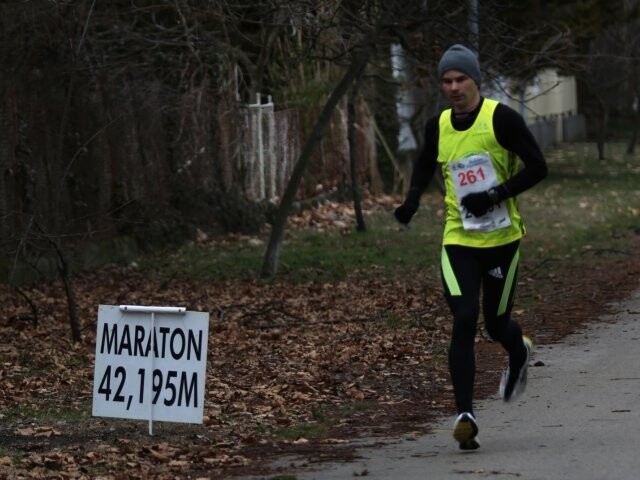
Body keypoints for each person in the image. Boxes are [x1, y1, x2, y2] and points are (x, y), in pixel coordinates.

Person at [394, 44, 547, 450]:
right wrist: (411, 200)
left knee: (496, 325)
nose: (453, 87)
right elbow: (426, 161)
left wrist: (495, 194)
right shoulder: (438, 124)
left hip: (502, 240)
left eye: (460, 79)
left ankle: (519, 352)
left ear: (475, 80)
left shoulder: (502, 119)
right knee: (463, 317)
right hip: (458, 238)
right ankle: (465, 416)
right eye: (446, 81)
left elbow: (538, 166)